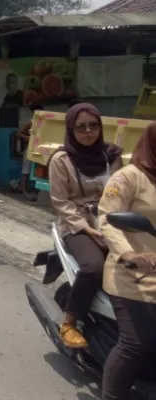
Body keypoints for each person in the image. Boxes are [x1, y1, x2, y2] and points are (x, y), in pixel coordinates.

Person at [47, 103, 123, 349]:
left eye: (93, 125)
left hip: (112, 220)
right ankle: (69, 322)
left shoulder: (111, 155)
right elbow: (60, 201)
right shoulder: (61, 159)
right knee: (93, 267)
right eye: (80, 127)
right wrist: (87, 227)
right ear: (71, 129)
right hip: (76, 224)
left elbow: (122, 193)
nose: (88, 131)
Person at [98, 123, 156, 400]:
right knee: (136, 344)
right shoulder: (128, 177)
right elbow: (107, 220)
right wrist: (129, 254)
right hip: (133, 275)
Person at [16, 104, 44, 200]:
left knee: (40, 171)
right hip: (30, 149)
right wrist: (28, 138)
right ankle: (24, 190)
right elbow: (19, 134)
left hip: (41, 150)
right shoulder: (31, 122)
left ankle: (38, 192)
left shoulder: (46, 123)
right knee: (26, 170)